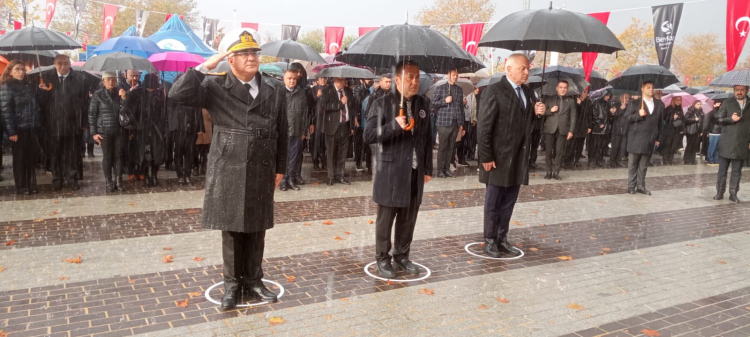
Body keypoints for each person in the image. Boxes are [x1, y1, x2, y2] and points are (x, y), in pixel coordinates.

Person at [169, 30, 288, 309]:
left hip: (262, 165)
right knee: (233, 229)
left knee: (257, 228)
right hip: (229, 164)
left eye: (255, 53)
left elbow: (283, 130)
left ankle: (255, 281)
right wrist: (205, 66)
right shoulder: (214, 85)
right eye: (244, 53)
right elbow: (177, 94)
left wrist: (280, 167)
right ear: (230, 60)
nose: (251, 58)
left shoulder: (275, 88)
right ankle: (232, 285)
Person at [364, 61, 432, 278]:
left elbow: (427, 139)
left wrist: (427, 168)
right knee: (387, 218)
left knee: (409, 216)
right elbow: (369, 136)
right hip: (391, 170)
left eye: (417, 78)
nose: (414, 82)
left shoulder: (422, 103)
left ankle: (402, 255)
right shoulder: (382, 103)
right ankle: (382, 259)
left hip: (414, 170)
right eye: (409, 77)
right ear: (397, 80)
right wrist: (394, 125)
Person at [477, 53, 546, 258]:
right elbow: (484, 127)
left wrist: (538, 114)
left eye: (528, 69)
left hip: (518, 157)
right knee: (493, 202)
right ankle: (489, 239)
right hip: (498, 158)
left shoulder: (528, 92)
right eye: (522, 68)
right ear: (508, 69)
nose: (526, 72)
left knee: (509, 202)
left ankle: (501, 237)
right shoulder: (494, 91)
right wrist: (486, 156)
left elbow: (530, 127)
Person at [37, 54, 89, 191]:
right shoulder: (46, 78)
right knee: (55, 153)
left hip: (72, 123)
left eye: (66, 63)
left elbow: (85, 102)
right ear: (54, 64)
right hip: (53, 123)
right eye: (59, 63)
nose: (63, 66)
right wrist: (41, 92)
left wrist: (83, 121)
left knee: (71, 153)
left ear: (69, 64)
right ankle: (57, 178)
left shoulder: (79, 78)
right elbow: (41, 104)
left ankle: (71, 178)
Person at [0, 60, 42, 195]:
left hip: (31, 126)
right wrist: (11, 131)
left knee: (30, 157)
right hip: (18, 129)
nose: (21, 72)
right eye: (17, 69)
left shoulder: (28, 85)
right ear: (10, 71)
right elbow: (6, 111)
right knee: (19, 158)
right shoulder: (7, 87)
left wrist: (41, 90)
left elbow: (35, 105)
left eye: (23, 69)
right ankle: (21, 185)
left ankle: (30, 184)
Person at [126, 73, 166, 187]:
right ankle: (146, 174)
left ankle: (153, 175)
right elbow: (131, 111)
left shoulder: (159, 94)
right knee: (143, 153)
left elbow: (163, 112)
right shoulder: (137, 93)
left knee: (156, 153)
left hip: (156, 129)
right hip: (141, 129)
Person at [88, 72, 126, 193]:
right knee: (108, 157)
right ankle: (108, 181)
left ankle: (119, 180)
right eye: (108, 79)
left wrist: (124, 99)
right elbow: (92, 114)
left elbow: (127, 112)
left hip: (119, 130)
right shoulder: (98, 95)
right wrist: (94, 133)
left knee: (119, 156)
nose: (111, 82)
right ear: (103, 81)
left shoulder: (121, 93)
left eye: (113, 79)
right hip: (104, 131)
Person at [626, 81, 664, 195]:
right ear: (642, 89)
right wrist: (638, 114)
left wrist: (657, 137)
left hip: (650, 138)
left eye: (652, 87)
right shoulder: (635, 103)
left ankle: (641, 186)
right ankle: (631, 186)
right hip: (636, 137)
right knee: (633, 164)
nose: (651, 89)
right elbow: (627, 118)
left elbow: (660, 123)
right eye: (648, 87)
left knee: (644, 165)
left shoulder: (659, 104)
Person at [713, 85, 750, 203]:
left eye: (742, 90)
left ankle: (733, 193)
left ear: (747, 91)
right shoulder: (727, 103)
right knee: (722, 170)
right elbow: (718, 120)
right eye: (737, 90)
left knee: (737, 171)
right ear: (734, 91)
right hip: (727, 142)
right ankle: (720, 191)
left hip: (742, 142)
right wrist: (730, 119)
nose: (739, 92)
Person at [167, 74, 205, 185]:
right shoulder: (174, 93)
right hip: (178, 127)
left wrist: (200, 127)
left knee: (190, 152)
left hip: (191, 127)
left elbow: (199, 111)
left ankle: (187, 175)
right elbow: (169, 111)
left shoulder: (196, 93)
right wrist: (171, 126)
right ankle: (180, 175)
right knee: (178, 152)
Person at [320, 77, 356, 185]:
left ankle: (340, 175)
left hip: (345, 125)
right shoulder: (327, 90)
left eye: (344, 81)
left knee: (342, 152)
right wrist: (340, 103)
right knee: (331, 152)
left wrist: (352, 126)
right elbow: (324, 106)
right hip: (332, 126)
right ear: (335, 80)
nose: (342, 83)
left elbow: (352, 108)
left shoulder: (348, 91)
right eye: (340, 81)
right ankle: (331, 176)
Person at [431, 69, 465, 178]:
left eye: (457, 75)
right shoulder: (440, 88)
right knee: (443, 147)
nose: (456, 77)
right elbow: (432, 105)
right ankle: (440, 170)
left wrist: (461, 123)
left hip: (455, 122)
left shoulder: (459, 90)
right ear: (448, 75)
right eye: (454, 75)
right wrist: (444, 101)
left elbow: (460, 108)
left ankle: (446, 169)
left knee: (451, 147)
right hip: (443, 122)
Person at [280, 69, 309, 191]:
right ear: (284, 79)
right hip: (283, 132)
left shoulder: (300, 93)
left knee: (293, 157)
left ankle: (291, 179)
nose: (292, 80)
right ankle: (282, 180)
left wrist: (304, 131)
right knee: (283, 157)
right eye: (289, 78)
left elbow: (305, 113)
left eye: (294, 78)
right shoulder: (279, 92)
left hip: (297, 131)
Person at [542, 80, 577, 180]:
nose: (563, 89)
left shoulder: (570, 101)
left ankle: (556, 172)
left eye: (565, 88)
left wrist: (571, 131)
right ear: (557, 88)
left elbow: (573, 117)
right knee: (548, 151)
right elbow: (542, 112)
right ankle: (548, 171)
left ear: (567, 89)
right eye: (561, 87)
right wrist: (550, 111)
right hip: (550, 128)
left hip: (563, 129)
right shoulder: (549, 99)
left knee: (559, 152)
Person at [362, 74, 392, 174]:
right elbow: (367, 113)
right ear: (380, 82)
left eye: (390, 82)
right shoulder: (374, 96)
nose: (388, 84)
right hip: (376, 129)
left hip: (388, 130)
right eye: (386, 82)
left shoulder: (393, 96)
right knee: (376, 153)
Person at [566, 88, 592, 168]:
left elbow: (589, 115)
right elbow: (575, 114)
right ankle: (569, 160)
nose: (585, 94)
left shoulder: (588, 102)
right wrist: (578, 105)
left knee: (580, 144)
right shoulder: (574, 100)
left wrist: (589, 126)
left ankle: (576, 160)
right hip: (576, 126)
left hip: (583, 125)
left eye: (586, 92)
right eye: (584, 92)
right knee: (572, 144)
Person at [589, 92, 612, 168]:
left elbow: (609, 117)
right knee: (594, 145)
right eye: (606, 95)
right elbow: (594, 113)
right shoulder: (596, 101)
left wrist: (612, 113)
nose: (607, 97)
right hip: (597, 128)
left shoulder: (608, 104)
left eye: (609, 96)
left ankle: (599, 160)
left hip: (605, 127)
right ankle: (592, 160)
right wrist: (599, 123)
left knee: (601, 145)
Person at [310, 77, 327, 171]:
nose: (323, 80)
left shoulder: (329, 89)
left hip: (326, 119)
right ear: (317, 80)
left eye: (325, 78)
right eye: (321, 79)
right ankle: (315, 162)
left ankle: (324, 161)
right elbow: (310, 105)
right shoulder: (313, 90)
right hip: (316, 120)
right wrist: (316, 96)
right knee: (316, 141)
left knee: (325, 141)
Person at [662, 97, 684, 165]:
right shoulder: (669, 108)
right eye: (677, 100)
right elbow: (664, 118)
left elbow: (682, 120)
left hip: (677, 130)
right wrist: (672, 118)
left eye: (680, 100)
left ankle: (670, 159)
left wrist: (681, 129)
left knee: (674, 146)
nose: (679, 101)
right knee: (668, 145)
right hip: (669, 129)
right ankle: (665, 159)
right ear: (674, 100)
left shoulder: (680, 109)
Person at [609, 93, 630, 167]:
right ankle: (612, 161)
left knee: (622, 148)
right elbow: (612, 118)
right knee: (615, 146)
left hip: (625, 130)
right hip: (617, 130)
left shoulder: (629, 106)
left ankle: (618, 160)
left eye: (628, 98)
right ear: (621, 98)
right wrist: (621, 109)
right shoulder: (616, 105)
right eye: (626, 98)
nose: (627, 99)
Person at [683, 101, 703, 165]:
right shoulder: (690, 111)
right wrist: (694, 119)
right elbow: (685, 119)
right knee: (689, 145)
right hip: (690, 130)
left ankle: (692, 159)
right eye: (698, 104)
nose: (699, 105)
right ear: (694, 104)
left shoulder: (701, 112)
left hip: (697, 130)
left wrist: (701, 131)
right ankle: (686, 159)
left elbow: (702, 122)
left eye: (700, 104)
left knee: (695, 146)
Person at [703, 101, 722, 165]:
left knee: (717, 147)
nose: (719, 105)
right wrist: (707, 131)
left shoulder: (721, 112)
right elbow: (706, 123)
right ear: (714, 105)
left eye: (720, 104)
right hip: (713, 131)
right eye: (718, 104)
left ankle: (716, 158)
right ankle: (710, 158)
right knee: (712, 146)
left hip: (719, 131)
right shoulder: (711, 112)